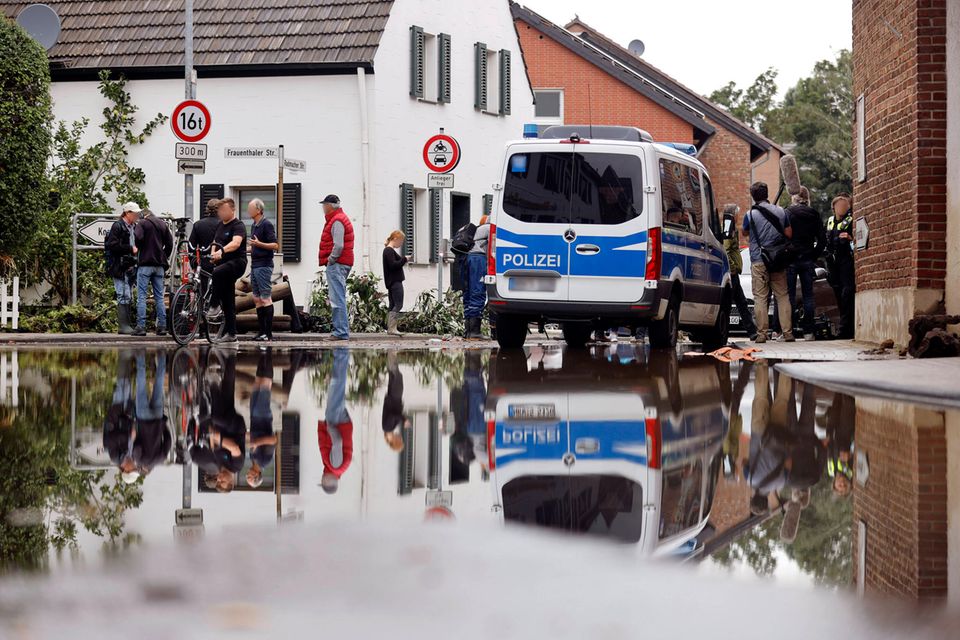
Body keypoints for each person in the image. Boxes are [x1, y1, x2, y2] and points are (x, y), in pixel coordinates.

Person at [743, 182, 794, 343]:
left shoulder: (750, 214)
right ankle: (787, 332)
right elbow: (789, 233)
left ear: (753, 196)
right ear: (766, 193)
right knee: (782, 296)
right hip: (777, 258)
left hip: (758, 259)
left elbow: (744, 232)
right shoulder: (780, 211)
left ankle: (762, 334)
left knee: (760, 297)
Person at [784, 187, 826, 341]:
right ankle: (809, 332)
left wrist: (787, 251)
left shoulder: (787, 213)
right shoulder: (814, 214)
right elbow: (822, 240)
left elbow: (783, 236)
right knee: (808, 296)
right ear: (807, 198)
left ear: (793, 197)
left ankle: (789, 331)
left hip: (791, 258)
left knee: (789, 296)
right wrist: (813, 255)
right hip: (807, 258)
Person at [209, 198, 248, 343]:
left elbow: (236, 243)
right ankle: (231, 334)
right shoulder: (220, 225)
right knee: (228, 300)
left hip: (237, 263)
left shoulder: (238, 225)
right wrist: (213, 254)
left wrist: (221, 252)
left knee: (217, 272)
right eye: (220, 210)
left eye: (224, 210)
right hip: (223, 265)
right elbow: (215, 242)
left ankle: (213, 305)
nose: (221, 213)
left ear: (233, 210)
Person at [317, 195, 355, 341]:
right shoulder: (340, 218)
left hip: (337, 263)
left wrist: (330, 260)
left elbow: (338, 245)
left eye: (324, 205)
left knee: (337, 298)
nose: (323, 208)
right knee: (339, 297)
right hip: (343, 262)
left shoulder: (337, 220)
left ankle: (340, 332)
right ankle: (341, 331)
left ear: (329, 206)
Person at [132, 208, 173, 336]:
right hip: (159, 266)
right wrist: (163, 256)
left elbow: (138, 237)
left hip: (145, 264)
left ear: (143, 215)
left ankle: (141, 327)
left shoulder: (142, 223)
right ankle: (162, 327)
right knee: (159, 297)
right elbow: (170, 244)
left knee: (142, 297)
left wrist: (140, 247)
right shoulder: (162, 224)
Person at [318, 348, 353, 493]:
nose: (321, 477)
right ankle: (341, 352)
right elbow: (337, 442)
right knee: (336, 384)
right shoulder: (335, 466)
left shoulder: (337, 468)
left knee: (337, 387)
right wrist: (329, 427)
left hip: (340, 423)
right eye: (322, 481)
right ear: (327, 481)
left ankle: (341, 354)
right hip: (336, 423)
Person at [104, 202, 141, 335]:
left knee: (128, 294)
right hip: (119, 266)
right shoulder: (118, 226)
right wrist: (130, 248)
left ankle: (126, 324)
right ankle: (123, 326)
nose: (137, 216)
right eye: (135, 213)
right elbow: (112, 245)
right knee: (123, 294)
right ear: (127, 213)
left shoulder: (133, 226)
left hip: (130, 265)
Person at [722, 204, 757, 340]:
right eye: (737, 214)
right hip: (732, 273)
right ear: (733, 214)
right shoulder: (728, 227)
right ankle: (726, 333)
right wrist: (731, 267)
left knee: (741, 303)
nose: (738, 217)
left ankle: (752, 332)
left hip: (734, 272)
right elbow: (726, 249)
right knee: (733, 304)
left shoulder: (730, 227)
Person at [248, 198, 279, 341]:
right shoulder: (254, 225)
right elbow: (254, 245)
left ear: (259, 210)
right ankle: (261, 332)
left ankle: (268, 333)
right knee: (257, 298)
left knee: (265, 298)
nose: (248, 211)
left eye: (251, 209)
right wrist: (245, 249)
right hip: (254, 264)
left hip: (264, 265)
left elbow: (275, 245)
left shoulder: (266, 224)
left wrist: (258, 244)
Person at [826, 193, 856, 339]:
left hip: (845, 259)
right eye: (839, 205)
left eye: (845, 206)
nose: (842, 208)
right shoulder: (830, 221)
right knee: (838, 292)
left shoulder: (851, 221)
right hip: (833, 262)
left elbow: (856, 240)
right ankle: (843, 326)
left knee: (847, 293)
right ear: (834, 207)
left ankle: (845, 328)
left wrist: (850, 238)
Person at [247, 349, 278, 488]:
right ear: (257, 475)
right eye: (249, 477)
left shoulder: (252, 458)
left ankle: (262, 353)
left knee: (257, 384)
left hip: (254, 419)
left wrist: (248, 436)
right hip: (263, 418)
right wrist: (257, 442)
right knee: (265, 386)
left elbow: (252, 440)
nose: (247, 475)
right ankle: (268, 352)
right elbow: (273, 440)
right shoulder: (265, 461)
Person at [464, 215, 489, 339]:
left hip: (467, 258)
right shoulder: (490, 228)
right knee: (478, 292)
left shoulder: (478, 229)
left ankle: (468, 331)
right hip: (478, 259)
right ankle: (475, 331)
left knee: (468, 293)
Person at [189, 198, 222, 291]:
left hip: (203, 262)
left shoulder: (198, 224)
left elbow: (191, 246)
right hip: (220, 261)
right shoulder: (223, 224)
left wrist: (194, 263)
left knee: (203, 290)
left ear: (207, 209)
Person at [383, 231, 410, 337]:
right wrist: (404, 259)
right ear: (395, 239)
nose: (401, 244)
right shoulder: (389, 251)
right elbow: (393, 265)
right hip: (395, 281)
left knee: (392, 305)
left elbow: (395, 263)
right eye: (401, 241)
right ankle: (392, 328)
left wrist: (403, 260)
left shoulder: (388, 251)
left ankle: (391, 328)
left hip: (391, 282)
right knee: (398, 304)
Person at [381, 352, 408, 452]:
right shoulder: (388, 428)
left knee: (396, 375)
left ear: (396, 441)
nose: (400, 437)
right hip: (393, 398)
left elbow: (393, 416)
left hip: (394, 398)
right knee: (394, 375)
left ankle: (391, 352)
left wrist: (403, 419)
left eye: (400, 440)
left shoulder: (388, 428)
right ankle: (391, 353)